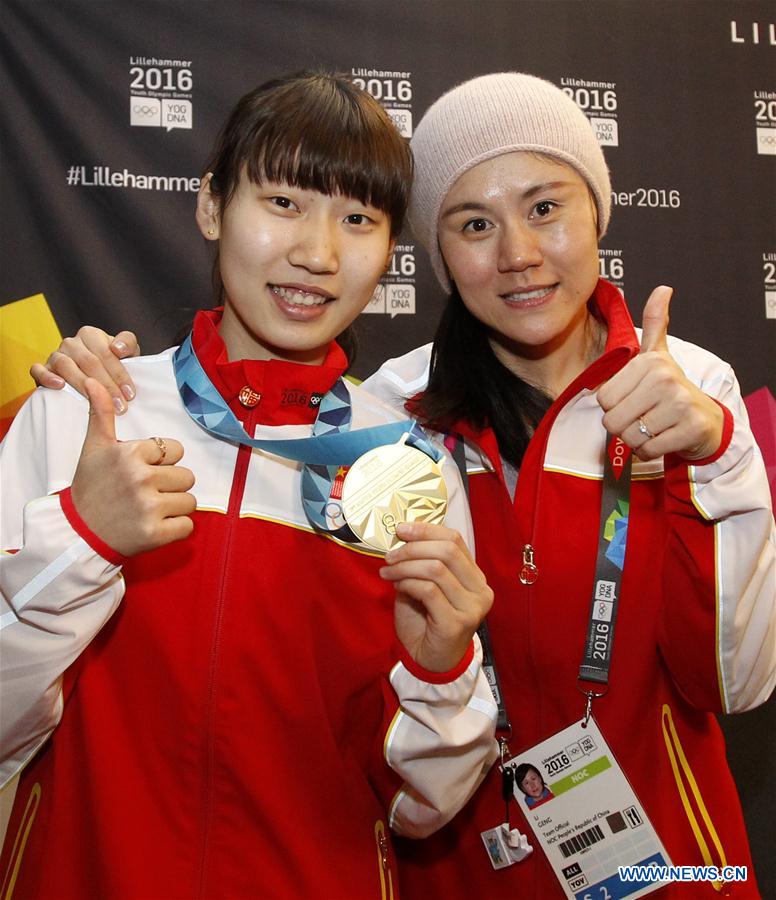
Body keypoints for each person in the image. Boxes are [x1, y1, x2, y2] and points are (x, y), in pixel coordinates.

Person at [28, 73, 776, 899]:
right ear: (436, 251)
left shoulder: (687, 390)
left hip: (662, 861)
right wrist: (78, 519)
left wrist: (714, 453)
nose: (517, 254)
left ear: (597, 212)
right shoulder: (395, 419)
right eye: (474, 223)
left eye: (545, 208)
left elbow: (737, 681)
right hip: (454, 872)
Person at [0, 72, 500, 899]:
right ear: (211, 206)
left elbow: (422, 811)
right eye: (283, 203)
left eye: (358, 220)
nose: (318, 254)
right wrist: (81, 542)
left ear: (390, 252)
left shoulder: (409, 468)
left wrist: (442, 672)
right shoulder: (86, 413)